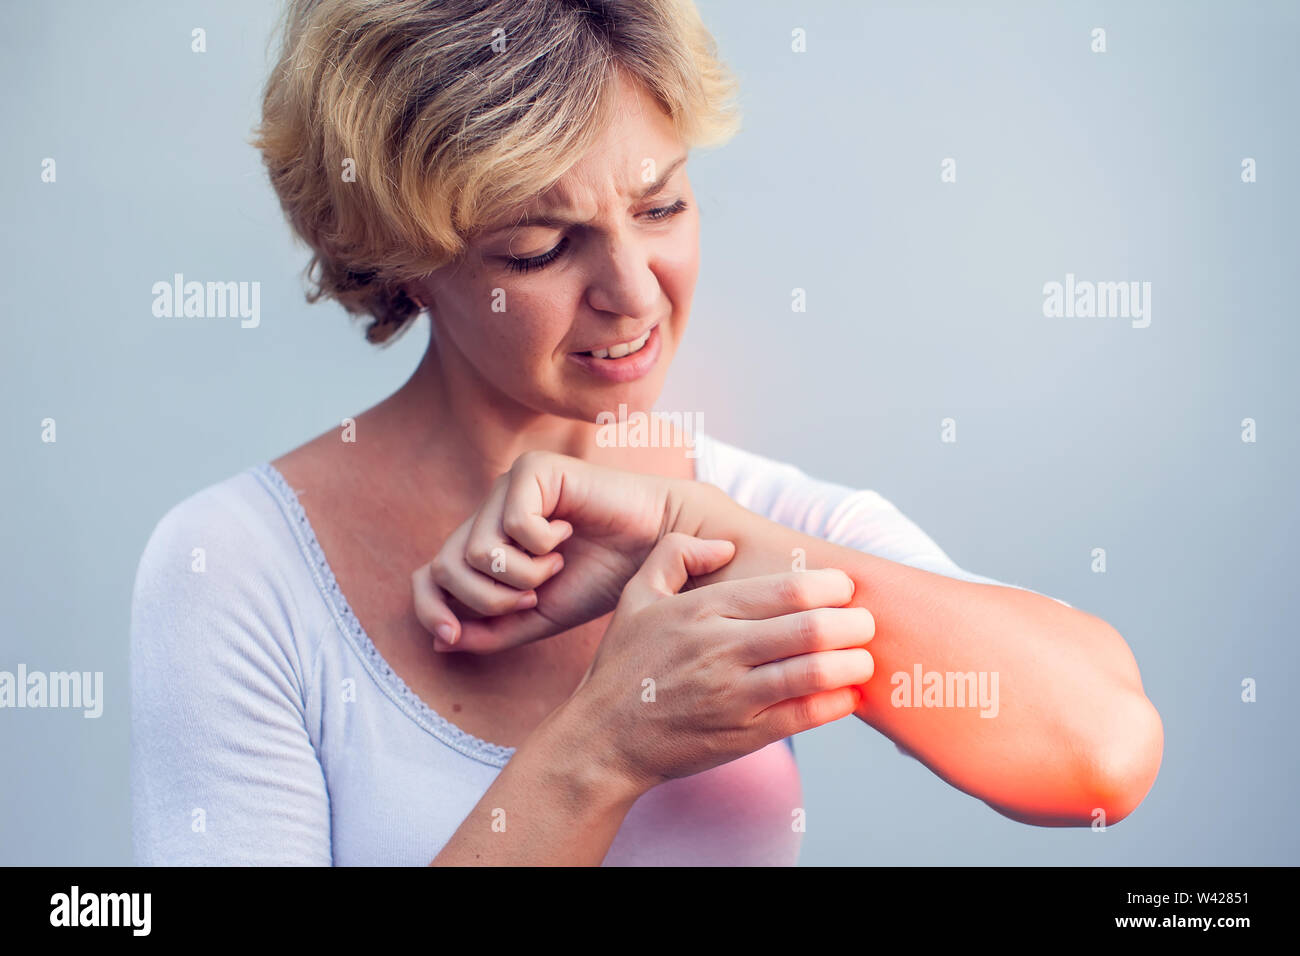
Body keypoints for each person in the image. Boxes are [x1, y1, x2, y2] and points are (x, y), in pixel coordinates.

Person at [129, 0, 1162, 866]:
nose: (633, 293)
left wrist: (705, 528)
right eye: (539, 248)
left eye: (660, 206)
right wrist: (601, 750)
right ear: (398, 255)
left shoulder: (757, 516)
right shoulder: (236, 569)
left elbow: (1100, 754)